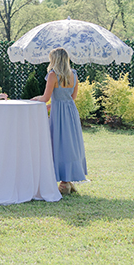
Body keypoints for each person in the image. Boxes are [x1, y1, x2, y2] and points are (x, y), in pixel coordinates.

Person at [31, 47, 88, 194]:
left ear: (55, 60)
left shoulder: (52, 75)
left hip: (59, 115)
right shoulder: (74, 74)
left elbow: (45, 98)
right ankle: (67, 180)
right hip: (71, 112)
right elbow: (72, 97)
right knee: (70, 144)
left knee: (58, 144)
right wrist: (52, 105)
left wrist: (33, 100)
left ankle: (64, 184)